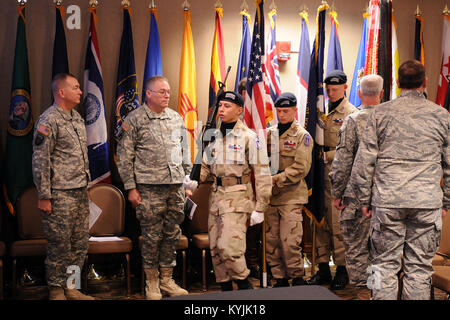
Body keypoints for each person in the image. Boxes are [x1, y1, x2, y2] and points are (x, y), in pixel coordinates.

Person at [350, 60, 450, 300]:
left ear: (396, 83)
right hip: (426, 204)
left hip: (387, 202)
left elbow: (363, 163)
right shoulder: (442, 115)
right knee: (419, 270)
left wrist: (364, 200)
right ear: (425, 83)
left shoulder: (380, 114)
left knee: (382, 266)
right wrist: (445, 202)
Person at [116, 76, 192, 300]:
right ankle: (151, 282)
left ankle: (167, 279)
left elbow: (184, 150)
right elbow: (124, 156)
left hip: (175, 187)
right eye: (162, 92)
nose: (167, 95)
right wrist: (131, 188)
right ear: (148, 94)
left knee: (172, 234)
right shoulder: (135, 119)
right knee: (151, 236)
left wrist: (187, 181)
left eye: (168, 91)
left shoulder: (175, 118)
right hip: (148, 188)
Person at [199, 91, 272, 291]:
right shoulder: (213, 136)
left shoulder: (250, 138)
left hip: (239, 198)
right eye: (220, 105)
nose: (221, 109)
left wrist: (260, 207)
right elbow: (205, 168)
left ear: (239, 111)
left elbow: (263, 174)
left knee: (229, 248)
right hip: (216, 198)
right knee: (215, 250)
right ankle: (226, 290)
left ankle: (244, 286)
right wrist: (192, 179)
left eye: (227, 106)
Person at [32, 73, 94, 300]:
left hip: (79, 192)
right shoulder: (48, 120)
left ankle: (72, 287)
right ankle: (56, 290)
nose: (80, 91)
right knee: (59, 244)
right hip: (59, 194)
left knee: (79, 244)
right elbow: (41, 160)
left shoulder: (76, 118)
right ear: (61, 92)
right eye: (76, 87)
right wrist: (44, 195)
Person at [329, 74, 384, 299]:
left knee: (358, 251)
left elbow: (342, 162)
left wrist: (336, 193)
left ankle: (364, 294)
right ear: (381, 94)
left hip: (355, 199)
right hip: (385, 199)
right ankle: (378, 292)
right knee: (380, 252)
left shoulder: (352, 120)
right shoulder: (389, 119)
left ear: (359, 94)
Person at [306, 69, 358, 290]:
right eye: (328, 89)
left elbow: (354, 149)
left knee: (337, 225)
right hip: (319, 175)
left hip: (338, 177)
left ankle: (342, 270)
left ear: (345, 87)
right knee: (319, 221)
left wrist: (327, 156)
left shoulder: (351, 113)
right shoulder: (319, 109)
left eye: (335, 89)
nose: (331, 93)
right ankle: (322, 268)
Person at [266, 92, 313, 287]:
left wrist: (274, 179)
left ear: (295, 110)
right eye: (279, 111)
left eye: (286, 111)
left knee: (290, 240)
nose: (282, 115)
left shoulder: (302, 136)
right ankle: (279, 278)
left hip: (291, 196)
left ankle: (297, 277)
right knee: (272, 241)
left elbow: (301, 168)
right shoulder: (269, 133)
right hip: (271, 197)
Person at [237, 77, 261, 279]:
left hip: (257, 179)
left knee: (255, 228)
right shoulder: (228, 121)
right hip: (237, 182)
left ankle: (253, 263)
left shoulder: (263, 118)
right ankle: (241, 263)